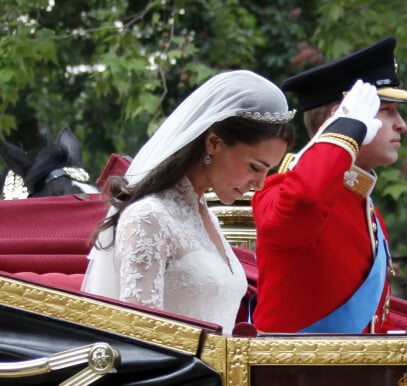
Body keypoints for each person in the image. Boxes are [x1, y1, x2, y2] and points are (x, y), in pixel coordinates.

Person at [81, 70, 296, 335]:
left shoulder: (206, 217)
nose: (260, 184)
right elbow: (141, 339)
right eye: (254, 167)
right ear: (214, 143)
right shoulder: (149, 217)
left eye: (267, 171)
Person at [251, 36, 407, 333]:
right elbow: (305, 201)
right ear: (342, 115)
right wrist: (345, 131)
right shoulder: (279, 190)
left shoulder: (366, 209)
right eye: (387, 110)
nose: (401, 124)